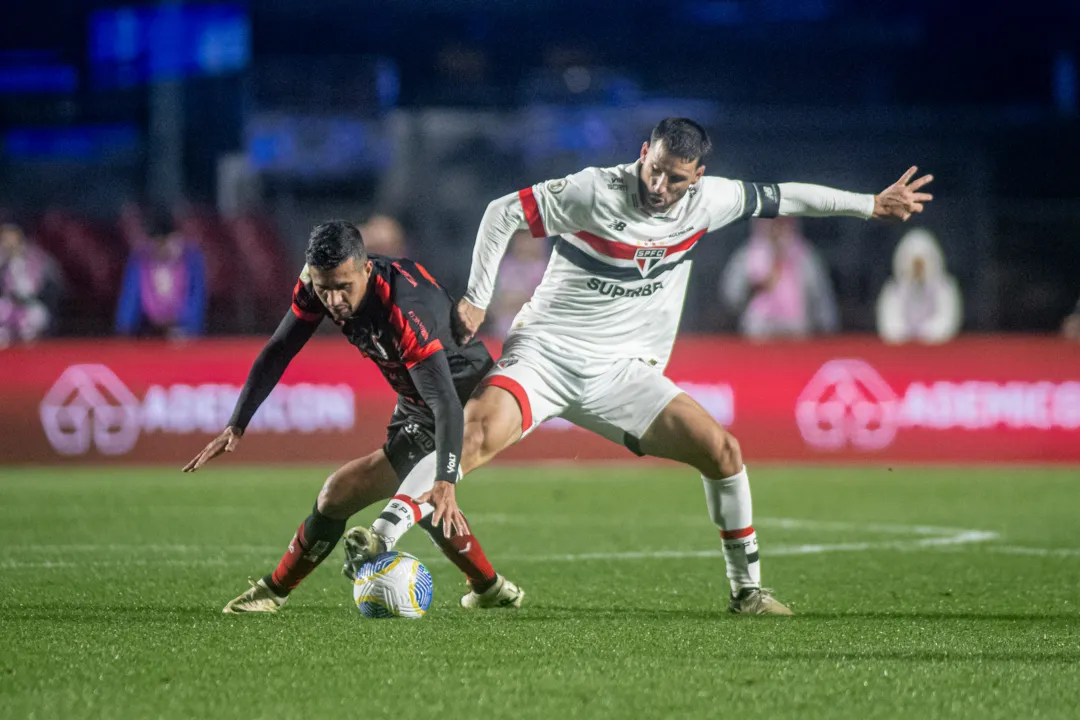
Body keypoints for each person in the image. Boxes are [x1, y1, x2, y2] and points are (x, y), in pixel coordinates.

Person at [354, 117, 933, 616]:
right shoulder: (592, 191)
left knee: (723, 452)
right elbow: (501, 212)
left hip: (624, 373)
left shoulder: (715, 200)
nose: (659, 185)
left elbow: (788, 195)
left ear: (696, 176)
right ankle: (382, 536)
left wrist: (870, 205)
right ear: (643, 154)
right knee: (476, 434)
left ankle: (747, 592)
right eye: (653, 169)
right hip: (546, 353)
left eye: (675, 177)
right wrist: (478, 296)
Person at [184, 221, 524, 613]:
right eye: (323, 286)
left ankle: (275, 590)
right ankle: (489, 589)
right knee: (344, 496)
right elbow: (280, 347)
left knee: (402, 493)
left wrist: (446, 477)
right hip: (417, 400)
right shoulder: (319, 284)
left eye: (343, 286)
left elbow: (445, 401)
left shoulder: (402, 307)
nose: (333, 299)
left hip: (467, 396)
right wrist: (237, 421)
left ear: (365, 270)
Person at [720, 216, 839, 339]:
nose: (776, 228)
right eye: (772, 222)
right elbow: (731, 298)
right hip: (758, 334)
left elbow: (822, 300)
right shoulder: (747, 256)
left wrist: (827, 333)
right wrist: (755, 287)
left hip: (798, 335)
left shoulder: (806, 257)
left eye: (782, 222)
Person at [115, 219, 207, 338]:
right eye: (161, 242)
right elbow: (129, 301)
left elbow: (196, 302)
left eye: (175, 241)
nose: (168, 248)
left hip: (182, 330)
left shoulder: (192, 262)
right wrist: (126, 330)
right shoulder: (140, 262)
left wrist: (189, 328)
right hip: (147, 330)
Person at [875, 228, 962, 345]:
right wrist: (905, 334)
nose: (917, 269)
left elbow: (946, 321)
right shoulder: (894, 290)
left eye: (921, 264)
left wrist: (927, 333)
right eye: (914, 264)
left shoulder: (944, 288)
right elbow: (890, 325)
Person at [0, 223, 62, 347]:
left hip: (32, 304)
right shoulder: (2, 259)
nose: (9, 243)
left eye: (12, 238)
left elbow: (49, 284)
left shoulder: (37, 258)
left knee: (36, 316)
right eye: (5, 239)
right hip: (7, 303)